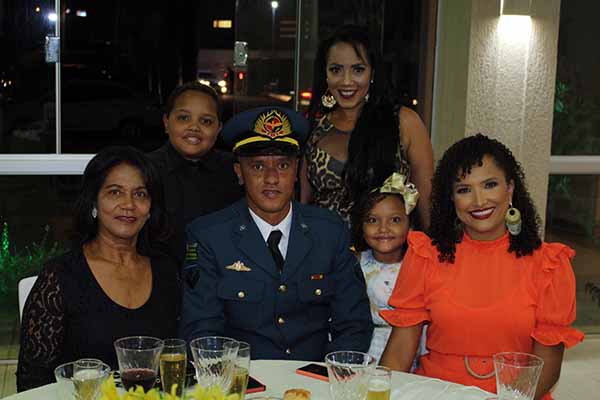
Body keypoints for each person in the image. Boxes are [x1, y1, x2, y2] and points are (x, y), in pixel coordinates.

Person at [379, 134, 584, 400]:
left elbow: (547, 366)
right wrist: (376, 391)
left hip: (517, 396)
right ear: (452, 198)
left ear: (510, 189)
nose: (478, 201)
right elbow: (400, 350)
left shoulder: (549, 264)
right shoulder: (425, 255)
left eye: (490, 185)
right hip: (435, 392)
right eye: (464, 190)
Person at [180, 106, 373, 360]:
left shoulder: (329, 231)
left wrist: (330, 375)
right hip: (242, 378)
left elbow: (354, 324)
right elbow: (201, 331)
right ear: (239, 173)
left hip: (315, 377)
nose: (272, 178)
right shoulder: (210, 236)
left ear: (297, 170)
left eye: (282, 165)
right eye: (258, 166)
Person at [17, 147, 180, 391]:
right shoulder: (60, 276)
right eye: (115, 192)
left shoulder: (166, 270)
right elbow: (32, 382)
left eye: (140, 194)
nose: (128, 205)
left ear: (150, 209)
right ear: (93, 202)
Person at [300, 25, 433, 229]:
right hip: (324, 246)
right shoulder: (314, 129)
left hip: (387, 246)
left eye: (358, 70)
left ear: (372, 73)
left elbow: (427, 206)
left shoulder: (403, 122)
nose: (346, 81)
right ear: (325, 74)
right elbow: (303, 206)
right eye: (336, 70)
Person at [148, 81, 242, 264]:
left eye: (206, 121)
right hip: (158, 273)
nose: (194, 127)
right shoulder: (145, 170)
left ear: (218, 128)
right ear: (166, 122)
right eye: (183, 118)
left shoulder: (234, 170)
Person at [350, 172, 425, 365]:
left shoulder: (420, 264)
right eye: (373, 220)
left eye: (395, 220)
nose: (383, 228)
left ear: (410, 225)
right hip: (364, 346)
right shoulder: (354, 262)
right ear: (361, 225)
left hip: (408, 347)